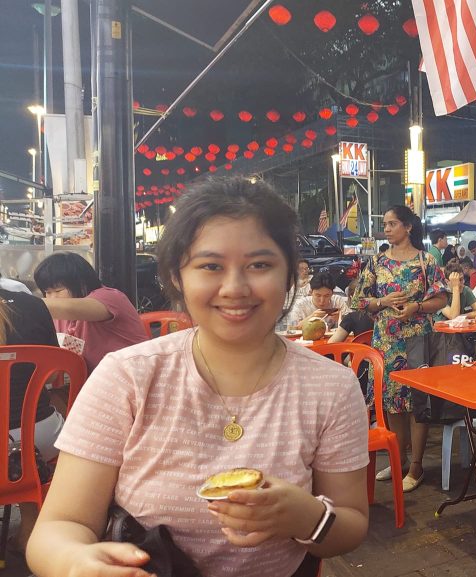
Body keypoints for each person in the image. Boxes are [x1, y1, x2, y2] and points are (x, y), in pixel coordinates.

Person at [27, 178, 370, 577]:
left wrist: (308, 517)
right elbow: (59, 526)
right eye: (210, 266)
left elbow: (351, 524)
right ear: (177, 277)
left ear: (291, 275)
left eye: (259, 265)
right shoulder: (128, 377)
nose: (235, 288)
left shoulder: (331, 387)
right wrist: (74, 562)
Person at [351, 205, 447, 492]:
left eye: (392, 224)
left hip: (418, 337)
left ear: (408, 227)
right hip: (387, 341)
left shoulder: (426, 261)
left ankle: (416, 466)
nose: (387, 229)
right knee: (392, 402)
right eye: (385, 224)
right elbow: (358, 301)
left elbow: (441, 299)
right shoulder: (378, 263)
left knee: (418, 402)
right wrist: (383, 301)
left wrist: (416, 306)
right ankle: (398, 461)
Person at [1, 287, 63, 553]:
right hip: (42, 434)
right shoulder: (32, 303)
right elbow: (51, 374)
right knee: (23, 441)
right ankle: (31, 523)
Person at [34, 253, 148, 372]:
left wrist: (24, 302)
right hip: (97, 380)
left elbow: (70, 309)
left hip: (135, 373)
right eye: (48, 292)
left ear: (82, 284)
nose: (52, 298)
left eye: (58, 290)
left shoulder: (109, 297)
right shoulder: (59, 315)